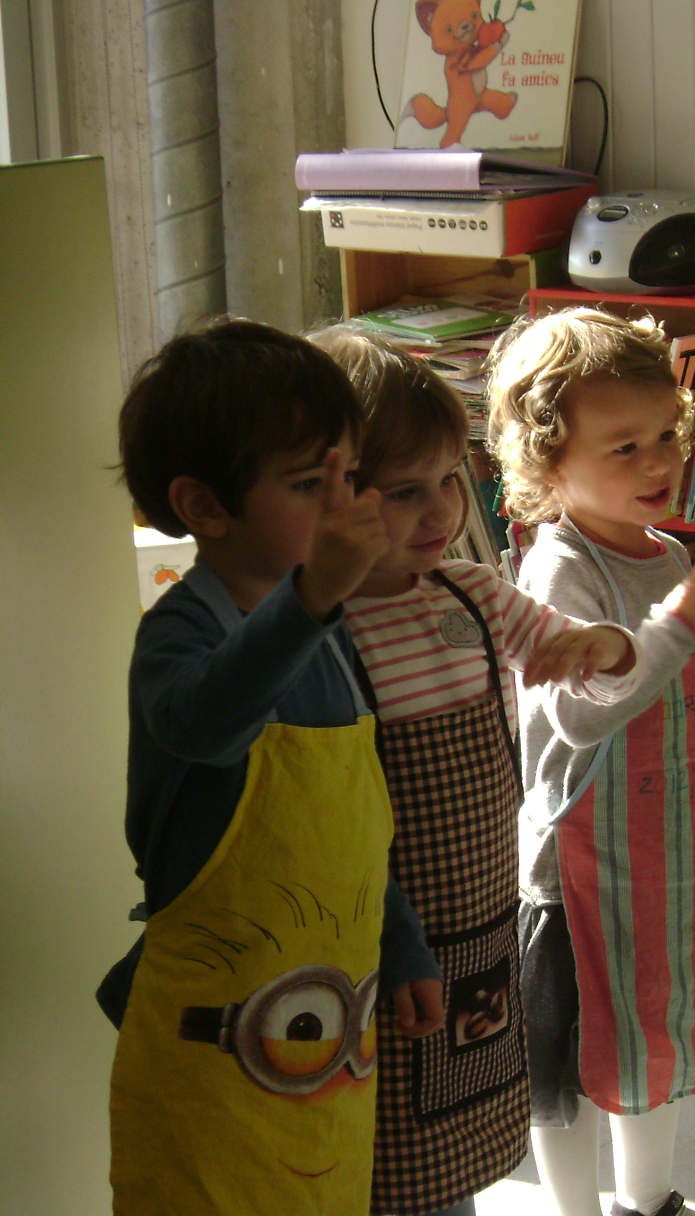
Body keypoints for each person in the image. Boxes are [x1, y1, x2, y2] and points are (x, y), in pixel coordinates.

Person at [101, 320, 444, 1215]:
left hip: (326, 1049)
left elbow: (350, 839)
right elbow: (207, 724)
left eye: (349, 477)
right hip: (209, 1064)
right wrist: (313, 597)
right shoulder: (181, 634)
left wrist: (401, 942)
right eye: (308, 485)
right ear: (205, 507)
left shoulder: (326, 635)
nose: (345, 506)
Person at [312, 328, 640, 1216]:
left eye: (450, 480)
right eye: (404, 492)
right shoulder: (322, 631)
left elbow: (582, 658)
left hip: (481, 922)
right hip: (381, 937)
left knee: (458, 1136)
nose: (441, 512)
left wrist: (603, 645)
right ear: (329, 496)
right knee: (382, 1145)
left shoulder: (474, 593)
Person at [486, 308, 695, 1216]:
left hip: (660, 858)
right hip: (577, 877)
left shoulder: (664, 553)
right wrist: (683, 627)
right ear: (549, 463)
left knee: (650, 1042)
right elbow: (584, 713)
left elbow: (677, 673)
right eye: (623, 448)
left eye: (667, 433)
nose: (659, 462)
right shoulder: (560, 571)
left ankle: (650, 1198)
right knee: (571, 1067)